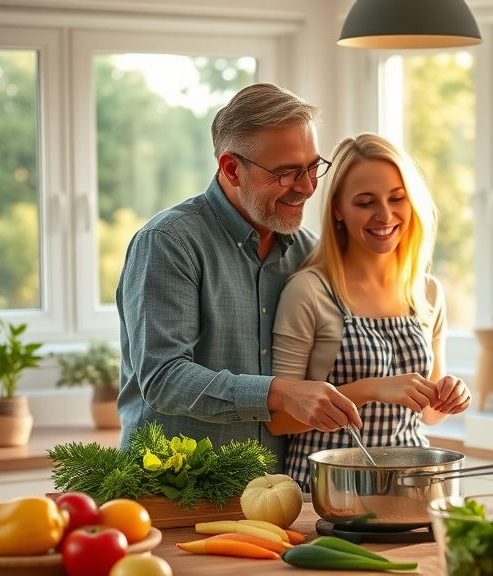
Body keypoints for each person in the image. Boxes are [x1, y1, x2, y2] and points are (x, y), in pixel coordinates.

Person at [116, 83, 361, 467]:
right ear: (232, 169)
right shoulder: (168, 242)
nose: (309, 187)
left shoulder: (306, 250)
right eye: (287, 173)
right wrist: (279, 394)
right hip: (173, 488)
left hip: (275, 491)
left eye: (313, 167)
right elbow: (163, 379)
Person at [268, 133, 471, 491]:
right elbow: (279, 419)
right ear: (337, 210)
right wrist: (372, 389)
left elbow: (430, 415)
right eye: (365, 203)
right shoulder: (310, 291)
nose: (385, 215)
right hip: (328, 490)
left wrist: (450, 395)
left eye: (397, 198)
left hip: (411, 488)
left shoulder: (426, 292)